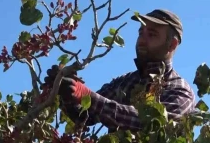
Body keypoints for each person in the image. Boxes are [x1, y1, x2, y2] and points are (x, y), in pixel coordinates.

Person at [58, 9, 196, 132]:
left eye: (152, 35)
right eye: (141, 33)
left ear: (172, 44)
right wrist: (65, 92)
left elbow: (150, 124)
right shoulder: (124, 82)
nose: (142, 40)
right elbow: (86, 117)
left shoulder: (180, 90)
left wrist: (88, 96)